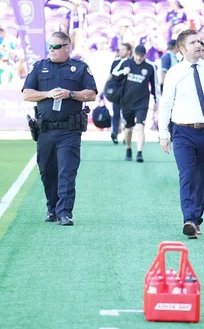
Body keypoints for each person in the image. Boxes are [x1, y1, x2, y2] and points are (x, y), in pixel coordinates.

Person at [158, 29, 204, 239]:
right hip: (182, 131)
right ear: (182, 48)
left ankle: (197, 219)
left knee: (202, 177)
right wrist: (164, 133)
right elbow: (166, 104)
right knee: (187, 175)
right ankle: (188, 219)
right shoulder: (174, 73)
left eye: (200, 41)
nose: (199, 45)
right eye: (193, 42)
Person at [22, 31, 97, 226]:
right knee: (47, 171)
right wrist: (47, 94)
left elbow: (91, 94)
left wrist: (70, 94)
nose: (51, 50)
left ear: (66, 48)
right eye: (50, 46)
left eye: (56, 47)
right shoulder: (39, 67)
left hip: (69, 130)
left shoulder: (79, 68)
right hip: (45, 130)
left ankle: (65, 212)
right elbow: (27, 94)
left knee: (67, 171)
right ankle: (52, 207)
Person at [117, 45, 157, 163]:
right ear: (134, 53)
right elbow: (114, 74)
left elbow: (154, 85)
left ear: (145, 55)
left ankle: (139, 153)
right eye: (137, 55)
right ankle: (128, 149)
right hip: (126, 101)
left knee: (140, 127)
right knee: (128, 128)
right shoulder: (126, 63)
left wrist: (156, 100)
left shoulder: (150, 66)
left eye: (142, 56)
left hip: (142, 102)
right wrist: (123, 73)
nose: (139, 58)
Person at [109, 42, 132, 144]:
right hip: (116, 92)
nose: (121, 51)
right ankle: (114, 133)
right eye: (120, 49)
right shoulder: (115, 61)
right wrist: (106, 86)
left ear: (129, 51)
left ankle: (126, 135)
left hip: (127, 92)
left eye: (123, 49)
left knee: (126, 114)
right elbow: (110, 75)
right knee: (116, 113)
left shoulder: (131, 62)